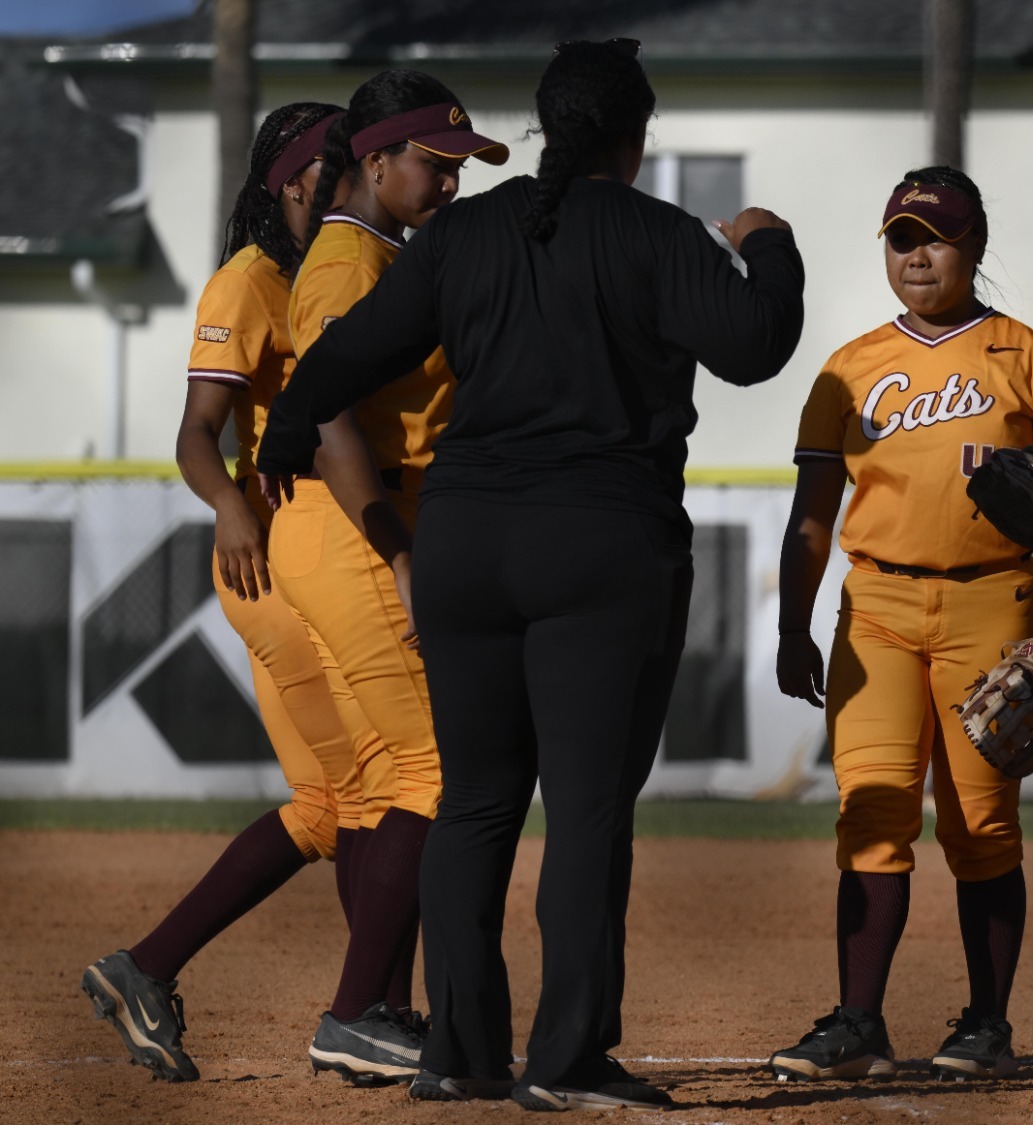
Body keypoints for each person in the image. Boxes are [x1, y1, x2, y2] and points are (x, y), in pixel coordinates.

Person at [257, 40, 806, 1110]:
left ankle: (458, 1053)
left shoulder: (462, 230)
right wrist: (769, 245)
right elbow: (754, 344)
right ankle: (564, 1061)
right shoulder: (657, 233)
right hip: (599, 543)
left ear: (552, 129)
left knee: (473, 805)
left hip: (464, 539)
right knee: (587, 808)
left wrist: (279, 437)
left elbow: (343, 360)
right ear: (634, 141)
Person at [80, 100, 389, 1085]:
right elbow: (194, 433)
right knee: (379, 789)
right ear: (290, 181)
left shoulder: (340, 270)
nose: (342, 183)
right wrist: (226, 506)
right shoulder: (252, 279)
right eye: (327, 170)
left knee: (332, 805)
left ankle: (148, 966)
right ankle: (370, 1011)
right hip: (276, 556)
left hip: (322, 554)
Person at [767, 168, 1033, 1085]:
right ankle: (859, 1021)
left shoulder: (1029, 356)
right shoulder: (849, 366)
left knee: (982, 827)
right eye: (901, 238)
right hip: (877, 608)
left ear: (975, 245)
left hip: (996, 601)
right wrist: (795, 627)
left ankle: (987, 1022)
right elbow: (814, 510)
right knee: (869, 812)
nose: (916, 256)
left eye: (936, 237)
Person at [265, 67, 510, 1085]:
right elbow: (331, 423)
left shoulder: (380, 253)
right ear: (375, 162)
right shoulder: (344, 267)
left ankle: (379, 1007)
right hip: (354, 527)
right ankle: (355, 1009)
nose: (450, 183)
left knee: (381, 784)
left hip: (353, 527)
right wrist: (400, 555)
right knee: (440, 772)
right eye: (436, 163)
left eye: (459, 166)